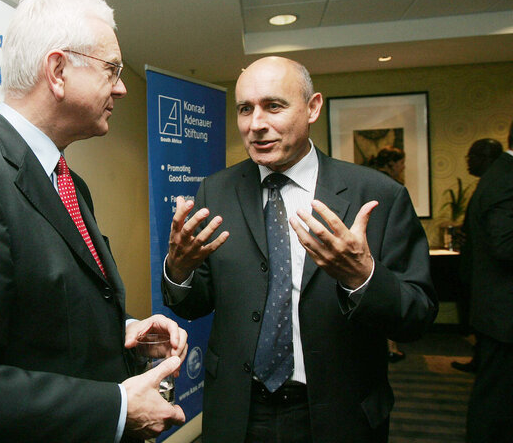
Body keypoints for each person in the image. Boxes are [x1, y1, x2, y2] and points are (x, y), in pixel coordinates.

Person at [0, 0, 187, 443]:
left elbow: (45, 317)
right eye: (112, 69)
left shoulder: (69, 182)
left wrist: (123, 330)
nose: (123, 87)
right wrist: (117, 408)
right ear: (58, 71)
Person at [162, 56, 437, 443]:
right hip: (238, 411)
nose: (256, 124)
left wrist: (363, 277)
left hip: (338, 412)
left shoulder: (376, 195)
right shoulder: (217, 191)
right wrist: (179, 269)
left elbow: (417, 317)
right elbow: (194, 304)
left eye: (273, 106)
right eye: (245, 109)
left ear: (313, 107)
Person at [464, 122, 513, 442]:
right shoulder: (506, 178)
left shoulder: (500, 174)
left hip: (497, 308)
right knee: (495, 399)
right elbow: (505, 246)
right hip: (504, 312)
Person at [451, 138, 503, 373]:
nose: (468, 162)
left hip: (491, 280)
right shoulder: (488, 185)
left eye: (472, 157)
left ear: (487, 158)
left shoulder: (497, 185)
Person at [371, 146, 408, 363]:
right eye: (401, 164)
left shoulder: (367, 180)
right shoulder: (387, 188)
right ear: (392, 164)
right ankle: (390, 347)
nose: (402, 168)